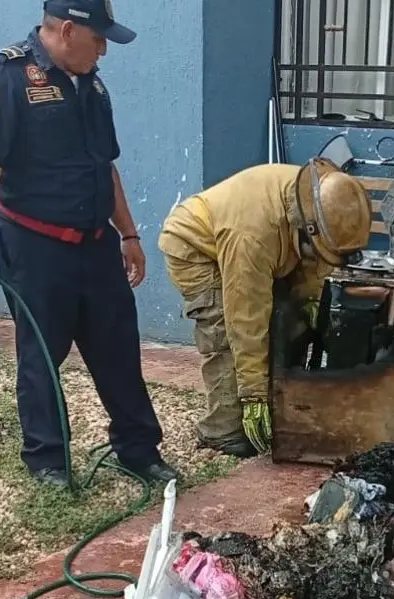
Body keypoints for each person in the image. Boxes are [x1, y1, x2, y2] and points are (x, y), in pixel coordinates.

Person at [0, 0, 178, 487]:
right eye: (98, 38)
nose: (103, 50)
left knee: (118, 346)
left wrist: (128, 234)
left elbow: (105, 166)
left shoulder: (93, 85)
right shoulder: (7, 77)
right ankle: (48, 463)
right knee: (42, 354)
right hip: (34, 245)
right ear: (66, 29)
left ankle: (138, 450)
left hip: (96, 243)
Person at [157, 160, 374, 458]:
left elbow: (315, 264)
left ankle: (279, 405)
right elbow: (246, 318)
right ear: (306, 229)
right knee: (224, 336)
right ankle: (221, 431)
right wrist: (253, 394)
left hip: (263, 241)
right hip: (194, 247)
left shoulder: (322, 201)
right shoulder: (253, 236)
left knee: (288, 318)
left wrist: (308, 302)